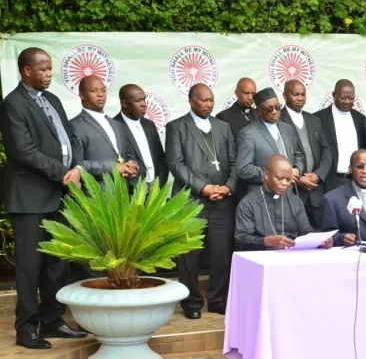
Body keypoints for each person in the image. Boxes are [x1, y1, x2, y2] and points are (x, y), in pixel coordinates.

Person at [0, 47, 87, 349]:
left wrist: (77, 167)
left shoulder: (52, 100)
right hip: (29, 199)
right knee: (29, 268)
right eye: (44, 69)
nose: (50, 74)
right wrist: (65, 172)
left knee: (56, 265)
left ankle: (53, 321)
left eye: (50, 69)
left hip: (58, 195)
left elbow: (70, 138)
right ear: (27, 70)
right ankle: (26, 329)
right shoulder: (12, 104)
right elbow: (23, 151)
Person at [165, 83, 237, 319]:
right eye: (203, 100)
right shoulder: (176, 127)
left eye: (211, 100)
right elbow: (177, 165)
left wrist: (228, 187)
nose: (208, 104)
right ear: (191, 101)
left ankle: (217, 301)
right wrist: (203, 188)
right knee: (189, 256)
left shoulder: (224, 127)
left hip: (221, 202)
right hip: (190, 202)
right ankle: (191, 302)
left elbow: (235, 163)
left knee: (221, 254)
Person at [235, 155, 333, 250]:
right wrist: (266, 241)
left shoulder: (295, 201)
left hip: (292, 258)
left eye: (288, 179)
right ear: (267, 175)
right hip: (261, 259)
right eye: (279, 178)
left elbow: (306, 233)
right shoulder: (248, 204)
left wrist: (321, 242)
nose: (285, 183)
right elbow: (241, 241)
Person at [280, 80, 332, 230]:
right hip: (292, 191)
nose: (300, 98)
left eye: (303, 94)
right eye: (296, 94)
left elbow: (326, 150)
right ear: (284, 95)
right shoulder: (277, 119)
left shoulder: (314, 120)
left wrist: (318, 175)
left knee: (317, 240)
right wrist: (296, 178)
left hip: (316, 190)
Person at [70, 75, 138, 187]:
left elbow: (126, 154)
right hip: (96, 196)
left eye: (103, 90)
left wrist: (132, 164)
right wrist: (114, 168)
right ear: (82, 95)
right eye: (94, 91)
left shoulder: (116, 124)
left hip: (123, 194)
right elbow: (77, 165)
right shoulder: (74, 125)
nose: (100, 94)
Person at [236, 87, 303, 192]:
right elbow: (244, 169)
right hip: (263, 195)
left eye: (277, 107)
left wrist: (297, 169)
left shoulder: (287, 129)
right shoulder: (248, 134)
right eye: (269, 109)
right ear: (258, 111)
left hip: (289, 193)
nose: (275, 112)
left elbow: (297, 154)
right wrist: (276, 176)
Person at [314, 79, 366, 192]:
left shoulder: (361, 119)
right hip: (329, 182)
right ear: (334, 95)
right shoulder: (318, 118)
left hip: (356, 181)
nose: (347, 101)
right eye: (343, 98)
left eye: (351, 98)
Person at [113, 84, 168, 188]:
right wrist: (141, 189)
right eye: (138, 101)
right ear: (124, 103)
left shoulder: (149, 125)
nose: (144, 104)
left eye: (144, 99)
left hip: (156, 192)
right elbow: (116, 164)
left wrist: (158, 185)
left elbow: (161, 158)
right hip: (131, 195)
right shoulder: (114, 126)